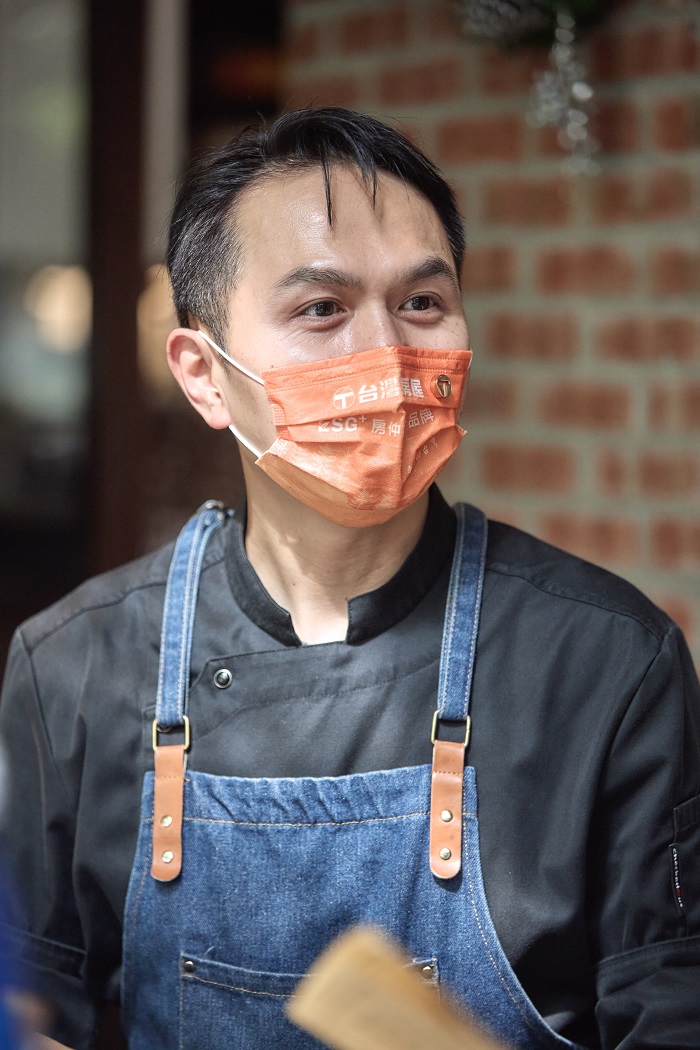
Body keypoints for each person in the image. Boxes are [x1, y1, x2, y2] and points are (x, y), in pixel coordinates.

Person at [0, 106, 699, 1050]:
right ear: (204, 374)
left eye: (422, 303)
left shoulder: (609, 662)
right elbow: (31, 1004)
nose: (388, 354)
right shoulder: (74, 667)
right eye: (322, 309)